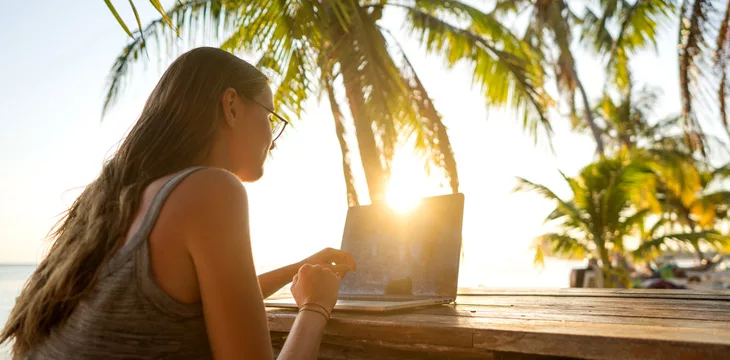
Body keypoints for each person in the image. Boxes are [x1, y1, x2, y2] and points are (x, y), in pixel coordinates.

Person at [0, 47, 357, 360]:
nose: (274, 140)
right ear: (231, 107)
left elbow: (189, 301)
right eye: (270, 117)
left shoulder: (110, 201)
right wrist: (315, 306)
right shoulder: (211, 189)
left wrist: (297, 269)